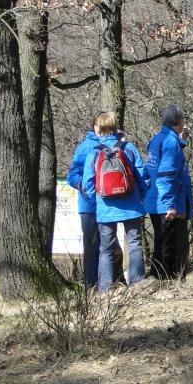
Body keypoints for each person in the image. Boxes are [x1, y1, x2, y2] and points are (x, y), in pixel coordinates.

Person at [82, 112, 150, 291]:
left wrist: (96, 199)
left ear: (99, 128)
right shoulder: (128, 148)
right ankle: (137, 285)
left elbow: (88, 182)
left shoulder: (94, 152)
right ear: (115, 126)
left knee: (106, 248)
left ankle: (105, 289)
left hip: (106, 207)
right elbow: (142, 175)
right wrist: (141, 196)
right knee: (134, 244)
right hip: (131, 205)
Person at [66, 115, 124, 288]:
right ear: (94, 126)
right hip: (89, 205)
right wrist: (81, 185)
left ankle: (115, 283)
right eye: (97, 125)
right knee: (92, 247)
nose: (100, 128)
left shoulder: (117, 144)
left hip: (109, 204)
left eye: (102, 124)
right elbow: (72, 175)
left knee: (112, 247)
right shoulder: (85, 147)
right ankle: (91, 286)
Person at [144, 104, 193, 280]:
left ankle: (158, 279)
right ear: (178, 121)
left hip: (154, 200)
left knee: (160, 244)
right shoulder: (170, 143)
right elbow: (166, 175)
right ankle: (168, 283)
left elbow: (161, 163)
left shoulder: (158, 139)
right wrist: (170, 204)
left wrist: (182, 140)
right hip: (167, 203)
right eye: (183, 119)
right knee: (172, 248)